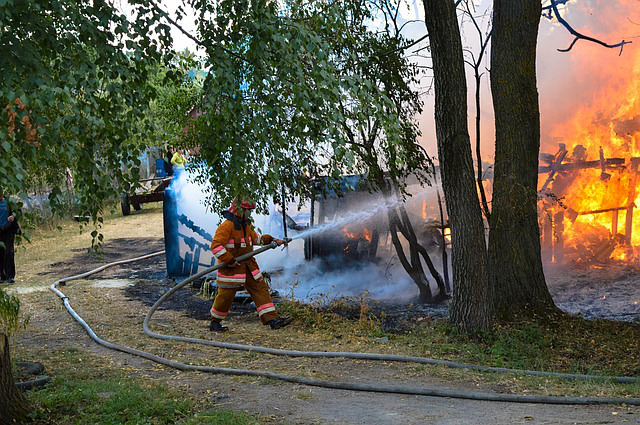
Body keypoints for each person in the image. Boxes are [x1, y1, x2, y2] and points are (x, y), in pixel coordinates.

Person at [209, 198, 292, 331]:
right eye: (248, 211)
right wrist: (229, 260)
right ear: (239, 210)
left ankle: (273, 320)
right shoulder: (227, 226)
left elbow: (256, 239)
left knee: (261, 289)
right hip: (232, 269)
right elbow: (216, 246)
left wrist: (271, 240)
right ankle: (215, 322)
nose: (250, 214)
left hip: (248, 267)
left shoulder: (245, 226)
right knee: (225, 297)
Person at [0, 189, 17, 284]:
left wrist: (13, 217)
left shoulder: (9, 202)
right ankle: (2, 276)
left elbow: (17, 212)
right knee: (1, 253)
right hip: (0, 231)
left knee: (9, 252)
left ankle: (10, 276)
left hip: (9, 230)